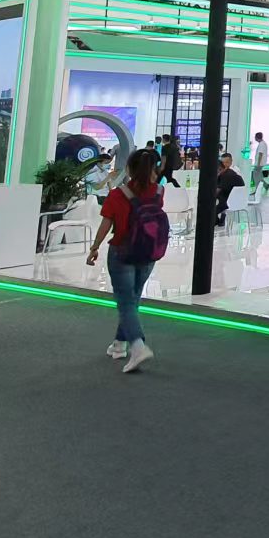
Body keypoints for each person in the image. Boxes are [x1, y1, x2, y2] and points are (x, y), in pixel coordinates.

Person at [85, 148, 168, 373]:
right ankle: (119, 344)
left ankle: (137, 345)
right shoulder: (159, 192)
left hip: (122, 252)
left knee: (125, 302)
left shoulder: (118, 194)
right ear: (155, 169)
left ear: (130, 168)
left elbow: (106, 224)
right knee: (132, 299)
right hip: (148, 252)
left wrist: (94, 247)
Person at [215, 152, 244, 227]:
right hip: (237, 200)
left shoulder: (227, 175)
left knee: (209, 205)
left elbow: (218, 190)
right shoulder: (230, 173)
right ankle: (218, 220)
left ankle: (215, 221)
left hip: (230, 201)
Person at [248, 131, 269, 204]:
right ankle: (266, 185)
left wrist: (258, 163)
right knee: (259, 176)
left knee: (256, 177)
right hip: (260, 163)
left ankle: (256, 190)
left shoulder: (261, 144)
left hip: (259, 163)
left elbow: (260, 154)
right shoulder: (263, 144)